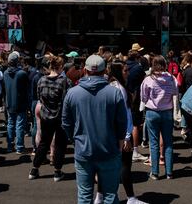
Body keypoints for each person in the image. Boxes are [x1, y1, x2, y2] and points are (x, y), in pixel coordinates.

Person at [62, 55, 127, 203]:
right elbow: (122, 122)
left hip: (83, 150)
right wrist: (120, 141)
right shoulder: (114, 92)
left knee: (84, 196)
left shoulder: (73, 93)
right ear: (105, 71)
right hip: (109, 149)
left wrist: (74, 138)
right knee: (110, 195)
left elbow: (66, 122)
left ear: (85, 70)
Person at [95, 60, 147, 204]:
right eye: (125, 70)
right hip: (121, 134)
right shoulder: (119, 89)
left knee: (106, 167)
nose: (128, 72)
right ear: (118, 72)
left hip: (110, 134)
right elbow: (125, 115)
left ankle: (99, 196)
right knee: (124, 166)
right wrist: (127, 136)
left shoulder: (109, 86)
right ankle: (130, 198)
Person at [28, 55, 70, 182]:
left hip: (45, 115)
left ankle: (34, 169)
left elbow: (39, 98)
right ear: (61, 67)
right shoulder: (64, 81)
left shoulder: (41, 80)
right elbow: (66, 100)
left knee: (43, 143)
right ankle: (57, 171)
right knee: (60, 144)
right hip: (60, 115)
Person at [140, 55, 179, 180]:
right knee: (168, 142)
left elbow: (143, 97)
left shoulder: (148, 80)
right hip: (167, 111)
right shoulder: (171, 78)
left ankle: (155, 172)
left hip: (152, 111)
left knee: (154, 142)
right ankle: (169, 172)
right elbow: (175, 93)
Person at [3, 51, 29, 154]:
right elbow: (27, 87)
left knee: (10, 124)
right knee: (19, 125)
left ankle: (10, 146)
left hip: (10, 102)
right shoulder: (22, 73)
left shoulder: (5, 73)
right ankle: (19, 147)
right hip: (21, 103)